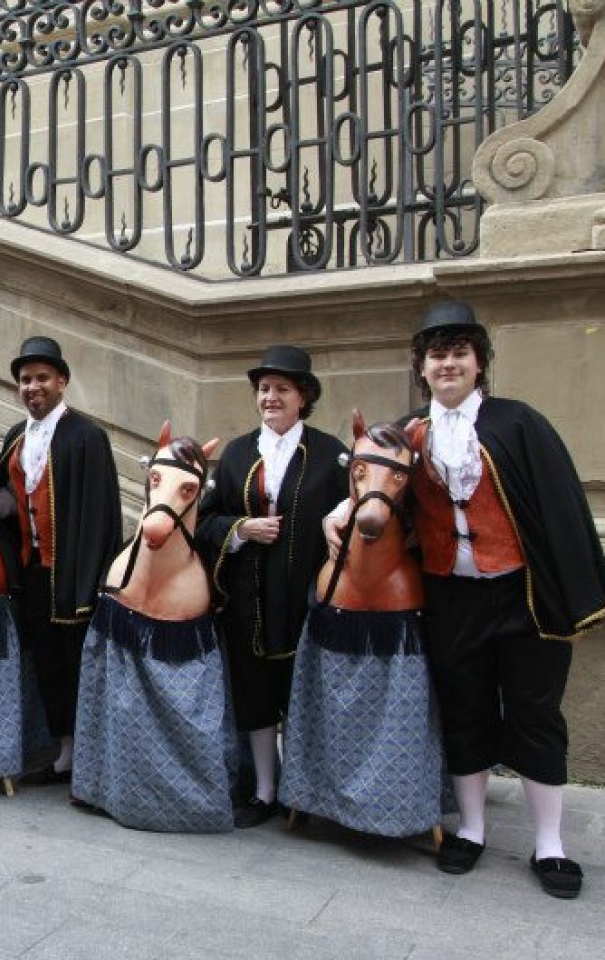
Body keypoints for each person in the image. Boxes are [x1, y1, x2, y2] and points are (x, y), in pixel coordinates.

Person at [376, 300, 604, 898]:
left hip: (521, 595)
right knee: (465, 709)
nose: (447, 363)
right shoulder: (406, 434)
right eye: (436, 354)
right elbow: (371, 493)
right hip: (449, 596)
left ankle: (550, 845)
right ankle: (472, 831)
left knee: (534, 714)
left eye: (459, 353)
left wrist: (573, 597)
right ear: (421, 368)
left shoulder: (518, 423)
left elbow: (559, 509)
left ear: (479, 364)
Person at [197, 345, 347, 828]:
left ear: (303, 396)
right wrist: (241, 530)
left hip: (309, 599)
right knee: (256, 696)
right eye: (264, 389)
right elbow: (205, 521)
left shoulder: (331, 455)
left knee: (307, 697)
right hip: (249, 601)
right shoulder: (238, 452)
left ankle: (304, 792)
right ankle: (264, 791)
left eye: (282, 389)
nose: (270, 397)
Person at [0, 336, 122, 780]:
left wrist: (96, 578)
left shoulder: (87, 436)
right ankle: (64, 752)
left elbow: (102, 513)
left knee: (78, 665)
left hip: (73, 574)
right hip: (33, 571)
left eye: (42, 377)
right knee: (47, 664)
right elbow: (5, 498)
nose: (33, 387)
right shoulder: (15, 436)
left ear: (62, 381)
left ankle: (91, 757)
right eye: (25, 380)